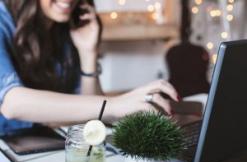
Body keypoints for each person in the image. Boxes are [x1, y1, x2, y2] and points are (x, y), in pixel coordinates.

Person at [0, 0, 180, 135]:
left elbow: (91, 114)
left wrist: (88, 52)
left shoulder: (66, 26)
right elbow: (12, 103)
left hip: (46, 145)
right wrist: (116, 104)